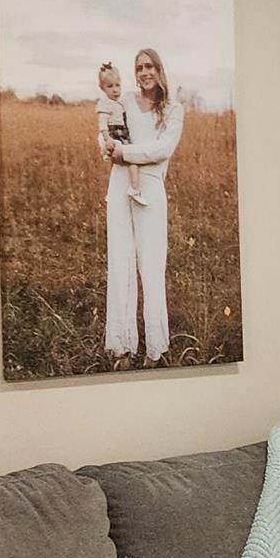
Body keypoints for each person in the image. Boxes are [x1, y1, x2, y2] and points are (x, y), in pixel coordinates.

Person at [103, 48, 185, 362]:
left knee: (151, 266)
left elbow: (161, 149)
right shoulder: (122, 102)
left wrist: (125, 153)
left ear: (159, 69)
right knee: (120, 261)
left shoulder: (173, 108)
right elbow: (107, 137)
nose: (144, 72)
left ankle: (155, 348)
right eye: (139, 67)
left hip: (149, 186)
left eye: (149, 66)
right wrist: (108, 147)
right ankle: (122, 347)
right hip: (119, 183)